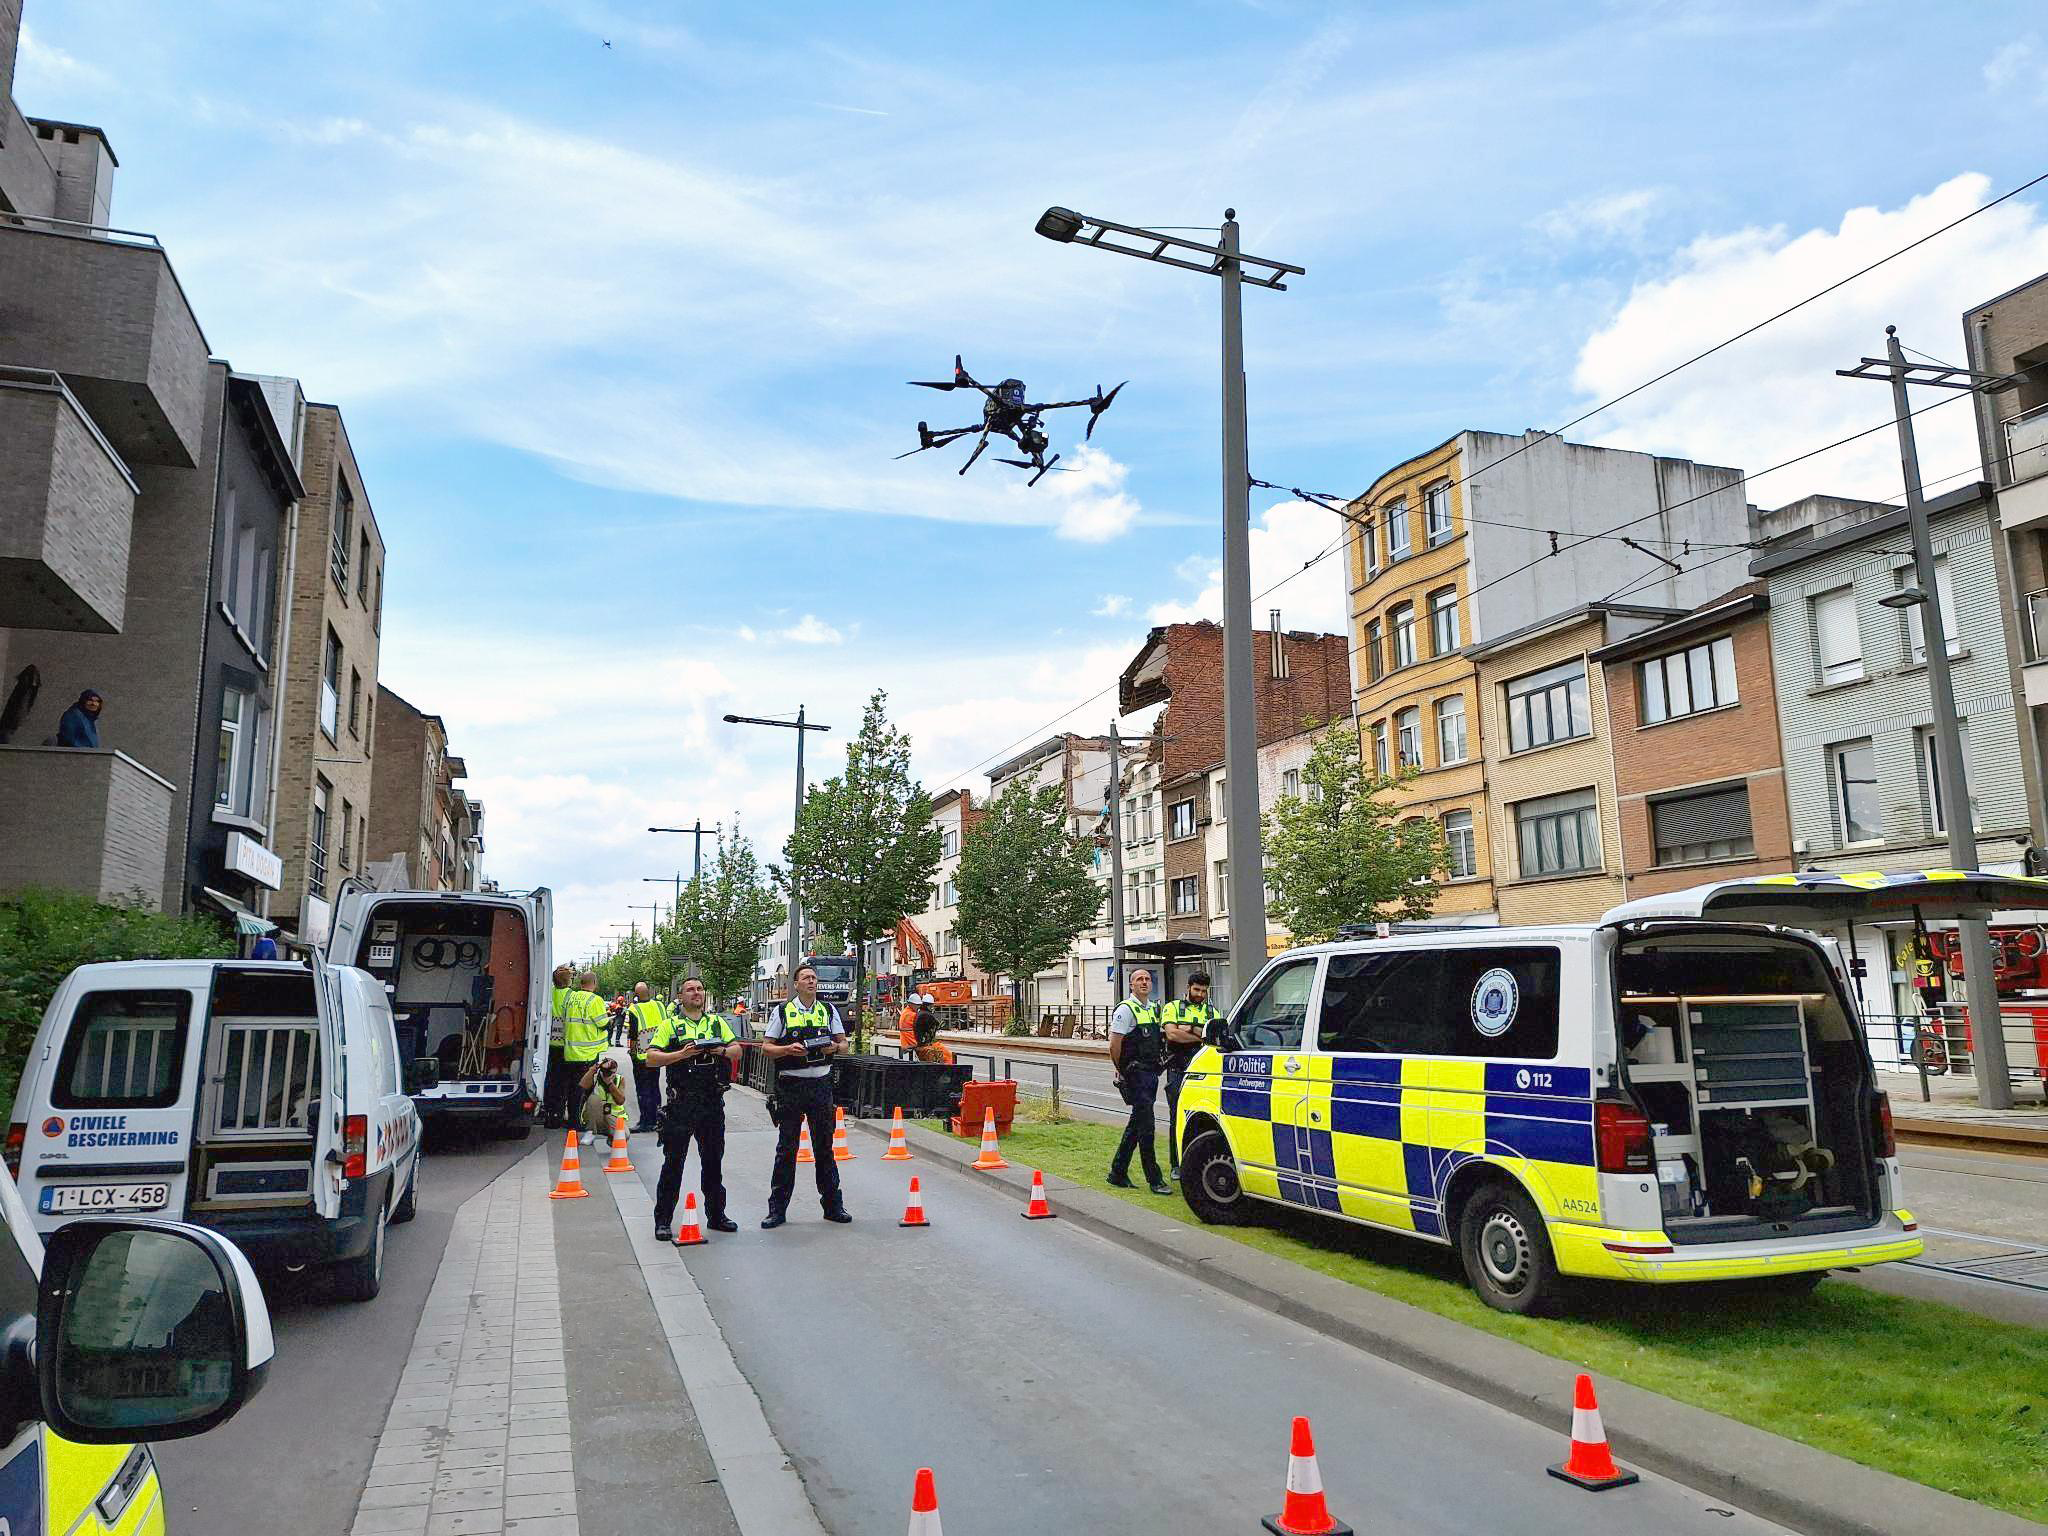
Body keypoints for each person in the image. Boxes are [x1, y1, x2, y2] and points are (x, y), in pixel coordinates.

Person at [645, 976, 741, 1240]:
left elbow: (736, 1051)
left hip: (711, 1102)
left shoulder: (716, 1023)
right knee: (673, 1163)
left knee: (713, 1162)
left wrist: (719, 1050)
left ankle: (717, 1215)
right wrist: (681, 1055)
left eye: (699, 988)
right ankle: (663, 1221)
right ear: (681, 996)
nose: (696, 993)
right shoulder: (670, 1025)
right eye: (690, 990)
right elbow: (651, 1058)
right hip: (681, 1103)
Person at [759, 962, 850, 1228]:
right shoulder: (783, 1012)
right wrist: (788, 1050)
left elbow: (843, 1044)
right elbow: (766, 1047)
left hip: (821, 1086)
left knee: (825, 1149)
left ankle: (833, 1206)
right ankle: (777, 1210)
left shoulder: (828, 1010)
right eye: (806, 978)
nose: (812, 981)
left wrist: (833, 1047)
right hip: (791, 1087)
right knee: (786, 1150)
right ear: (795, 984)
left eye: (814, 978)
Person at [1107, 967, 1172, 1194]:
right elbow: (1115, 1044)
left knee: (1136, 1124)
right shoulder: (1126, 1010)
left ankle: (1117, 1172)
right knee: (1147, 1127)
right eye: (1139, 979)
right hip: (1136, 1074)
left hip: (1150, 1074)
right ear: (1131, 985)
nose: (1144, 982)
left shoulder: (1153, 1009)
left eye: (1147, 979)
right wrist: (1121, 1069)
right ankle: (1154, 1179)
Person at [1160, 971, 1221, 1181]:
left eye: (1204, 991)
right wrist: (1201, 1036)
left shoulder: (1213, 1011)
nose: (1200, 994)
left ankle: (1197, 1163)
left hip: (1204, 1073)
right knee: (1176, 1118)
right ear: (1188, 987)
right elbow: (1172, 1034)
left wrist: (1192, 1028)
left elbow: (1217, 1039)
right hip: (1178, 1070)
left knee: (1206, 1119)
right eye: (1196, 989)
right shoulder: (1173, 1007)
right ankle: (1176, 1164)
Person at [560, 970, 611, 1130]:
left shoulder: (570, 998)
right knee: (582, 1090)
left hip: (570, 1052)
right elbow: (602, 1023)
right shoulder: (595, 1000)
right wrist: (610, 1020)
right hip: (587, 1053)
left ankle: (571, 1119)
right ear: (594, 984)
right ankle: (576, 1122)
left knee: (571, 1088)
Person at [625, 982, 671, 1133]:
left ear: (636, 995)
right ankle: (658, 1118)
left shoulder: (634, 1009)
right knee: (654, 1086)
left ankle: (646, 1121)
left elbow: (632, 1035)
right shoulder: (659, 1006)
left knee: (643, 1089)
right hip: (657, 1054)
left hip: (641, 1057)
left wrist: (632, 1053)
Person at [543, 964, 575, 1127]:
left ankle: (548, 1111)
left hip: (549, 1045)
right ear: (568, 981)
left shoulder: (549, 993)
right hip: (565, 1046)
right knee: (563, 1083)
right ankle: (558, 1114)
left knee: (550, 1080)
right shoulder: (571, 996)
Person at [578, 1056, 628, 1144]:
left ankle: (611, 1137)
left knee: (623, 1135)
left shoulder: (619, 1079)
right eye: (605, 1071)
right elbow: (583, 1085)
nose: (607, 1074)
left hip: (612, 1116)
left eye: (610, 1072)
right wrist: (592, 1070)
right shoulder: (595, 1077)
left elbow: (620, 1101)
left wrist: (610, 1083)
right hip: (597, 1115)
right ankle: (590, 1132)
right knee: (593, 1098)